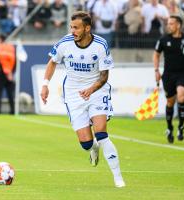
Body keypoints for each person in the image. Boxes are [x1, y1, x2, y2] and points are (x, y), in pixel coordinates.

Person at [40, 11, 125, 188]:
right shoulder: (65, 43)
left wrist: (91, 89)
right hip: (73, 94)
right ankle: (92, 148)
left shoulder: (101, 45)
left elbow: (104, 76)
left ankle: (118, 178)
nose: (73, 31)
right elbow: (52, 62)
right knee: (86, 143)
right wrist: (45, 84)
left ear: (87, 28)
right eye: (71, 27)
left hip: (97, 91)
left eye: (76, 27)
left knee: (102, 134)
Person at [153, 15, 184, 143]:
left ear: (178, 25)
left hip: (182, 74)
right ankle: (170, 127)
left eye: (171, 24)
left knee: (182, 96)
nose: (169, 26)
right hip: (168, 75)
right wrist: (156, 70)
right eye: (168, 23)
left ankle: (181, 127)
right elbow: (156, 55)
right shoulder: (163, 40)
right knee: (170, 103)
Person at [0, 34, 16, 114]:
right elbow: (14, 61)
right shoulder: (11, 48)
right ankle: (13, 110)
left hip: (1, 73)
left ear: (0, 39)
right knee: (10, 94)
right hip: (10, 73)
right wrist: (11, 72)